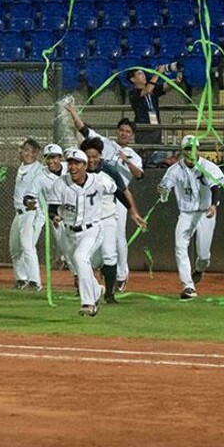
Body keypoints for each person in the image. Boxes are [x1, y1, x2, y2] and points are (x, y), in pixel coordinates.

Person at [65, 103, 144, 292]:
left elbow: (140, 175)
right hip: (98, 196)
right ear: (117, 131)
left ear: (132, 135)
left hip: (120, 198)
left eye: (128, 131)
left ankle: (121, 275)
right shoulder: (106, 144)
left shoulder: (133, 154)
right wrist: (74, 112)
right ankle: (98, 272)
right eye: (122, 130)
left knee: (118, 239)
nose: (124, 134)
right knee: (93, 236)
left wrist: (125, 160)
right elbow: (83, 130)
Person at [48, 149, 135, 317]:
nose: (72, 167)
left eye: (77, 163)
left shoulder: (99, 180)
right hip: (69, 232)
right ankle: (97, 289)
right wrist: (55, 216)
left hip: (92, 229)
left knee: (81, 258)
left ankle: (89, 303)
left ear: (85, 165)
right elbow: (52, 208)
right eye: (70, 163)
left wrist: (131, 210)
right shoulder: (60, 184)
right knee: (80, 265)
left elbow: (118, 190)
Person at [79, 137, 147, 304]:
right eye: (88, 156)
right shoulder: (78, 171)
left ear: (100, 155)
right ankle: (94, 287)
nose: (92, 160)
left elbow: (123, 192)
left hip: (108, 217)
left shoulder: (109, 170)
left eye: (95, 156)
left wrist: (133, 213)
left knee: (110, 254)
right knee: (86, 258)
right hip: (88, 220)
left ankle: (109, 294)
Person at [157, 135, 224, 300]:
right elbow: (164, 191)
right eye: (188, 148)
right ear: (182, 151)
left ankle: (200, 268)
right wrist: (162, 191)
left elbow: (216, 186)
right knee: (180, 246)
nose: (191, 152)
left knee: (203, 255)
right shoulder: (174, 169)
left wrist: (214, 205)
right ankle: (187, 285)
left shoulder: (208, 166)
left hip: (205, 213)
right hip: (186, 213)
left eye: (194, 148)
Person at [23, 143, 69, 279]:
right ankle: (31, 279)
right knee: (29, 244)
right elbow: (28, 196)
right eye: (48, 158)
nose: (50, 161)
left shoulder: (70, 168)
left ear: (60, 157)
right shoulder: (41, 175)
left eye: (54, 157)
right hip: (49, 212)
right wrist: (29, 203)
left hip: (70, 211)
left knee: (68, 249)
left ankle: (78, 277)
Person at [8, 139, 44, 291]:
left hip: (31, 212)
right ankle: (21, 279)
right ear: (21, 151)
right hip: (19, 213)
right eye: (26, 150)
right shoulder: (22, 167)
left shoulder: (39, 170)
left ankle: (35, 281)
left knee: (27, 246)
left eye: (33, 151)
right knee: (15, 248)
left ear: (37, 154)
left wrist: (34, 210)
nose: (29, 154)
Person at [126, 65, 183, 147]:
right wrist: (158, 73)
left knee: (157, 151)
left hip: (156, 126)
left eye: (143, 74)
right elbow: (147, 90)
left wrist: (176, 81)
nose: (144, 76)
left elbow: (165, 86)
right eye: (140, 74)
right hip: (143, 128)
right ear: (133, 79)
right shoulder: (133, 93)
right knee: (144, 152)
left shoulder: (153, 89)